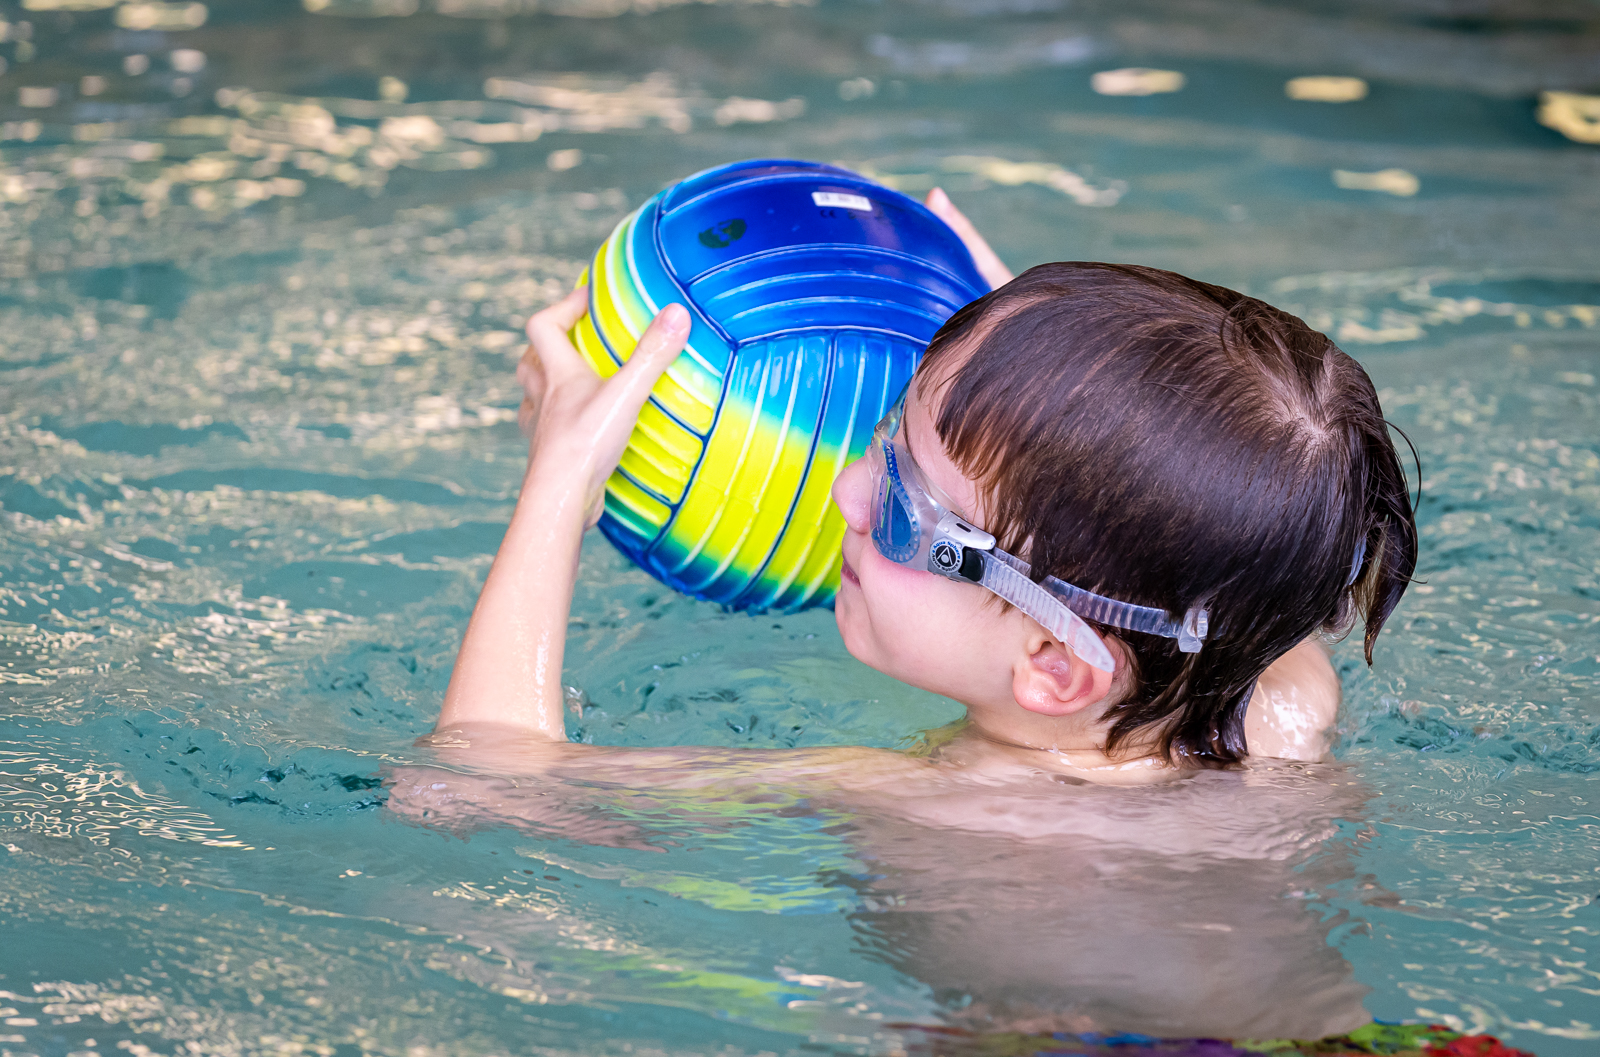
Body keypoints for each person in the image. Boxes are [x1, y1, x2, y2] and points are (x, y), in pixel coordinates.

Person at [412, 189, 1416, 787]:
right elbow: (1241, 512)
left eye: (902, 508)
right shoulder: (1280, 707)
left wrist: (558, 483)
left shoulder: (952, 804)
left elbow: (480, 789)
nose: (848, 489)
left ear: (1055, 668)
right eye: (885, 435)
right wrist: (1047, 366)